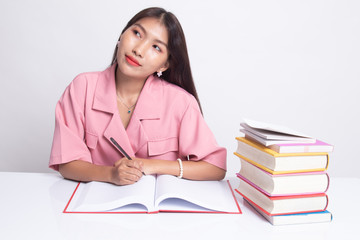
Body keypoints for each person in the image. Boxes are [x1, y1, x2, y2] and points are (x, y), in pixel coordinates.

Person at [49, 7, 226, 186]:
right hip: (95, 208)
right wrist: (111, 174)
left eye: (156, 47)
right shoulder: (82, 87)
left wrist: (151, 166)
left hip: (158, 210)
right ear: (122, 35)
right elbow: (66, 164)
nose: (139, 50)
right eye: (137, 33)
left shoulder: (181, 102)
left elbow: (215, 167)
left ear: (164, 65)